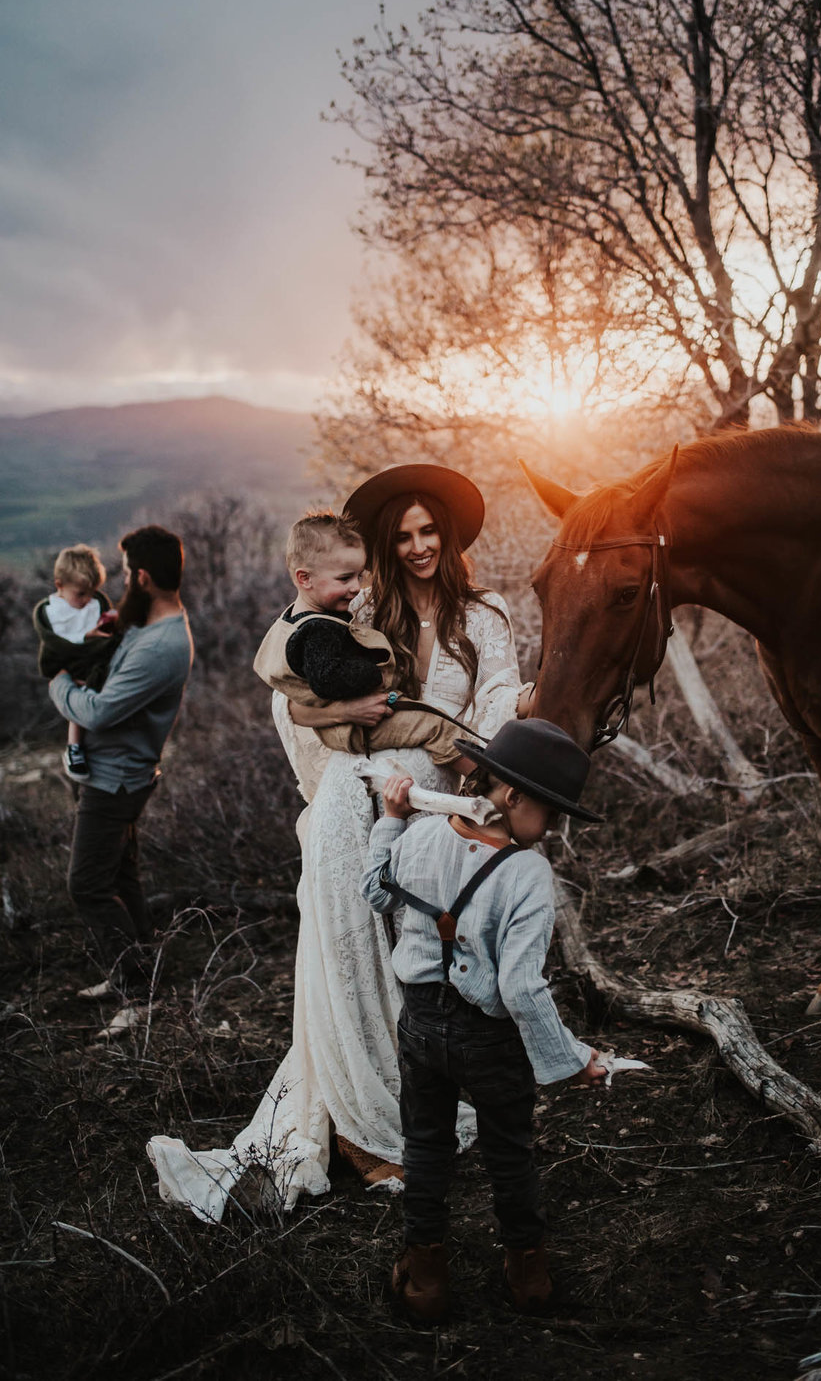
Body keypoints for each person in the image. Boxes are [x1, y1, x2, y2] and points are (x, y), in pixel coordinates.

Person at [147, 464, 531, 1222]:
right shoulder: (363, 607)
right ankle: (360, 1129)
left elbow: (488, 714)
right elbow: (296, 702)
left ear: (448, 536)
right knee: (349, 957)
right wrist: (336, 760)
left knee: (414, 968)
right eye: (404, 536)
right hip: (350, 801)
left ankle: (398, 1111)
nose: (419, 546)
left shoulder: (484, 614)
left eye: (429, 532)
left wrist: (468, 793)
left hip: (430, 806)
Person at [360, 718, 607, 1324]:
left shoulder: (416, 837)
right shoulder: (528, 874)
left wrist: (389, 820)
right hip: (490, 1038)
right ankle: (530, 1277)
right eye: (549, 813)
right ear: (514, 797)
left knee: (425, 1147)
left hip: (419, 1024)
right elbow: (521, 988)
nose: (551, 829)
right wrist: (572, 1059)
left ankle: (426, 1279)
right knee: (509, 1153)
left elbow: (376, 892)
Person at [47, 525, 194, 1038]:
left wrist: (59, 682)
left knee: (86, 884)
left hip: (116, 781)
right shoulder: (150, 624)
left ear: (145, 576)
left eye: (129, 571)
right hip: (117, 773)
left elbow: (103, 711)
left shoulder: (161, 645)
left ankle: (137, 995)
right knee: (120, 877)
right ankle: (138, 976)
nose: (125, 579)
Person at [252, 511, 464, 765]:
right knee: (436, 726)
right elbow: (327, 679)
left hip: (349, 725)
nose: (355, 587)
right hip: (356, 726)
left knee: (431, 721)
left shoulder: (294, 619)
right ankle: (484, 780)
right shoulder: (319, 629)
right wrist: (372, 672)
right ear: (304, 578)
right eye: (344, 579)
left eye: (359, 576)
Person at [33, 543, 119, 781]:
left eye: (92, 592)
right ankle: (74, 748)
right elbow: (58, 642)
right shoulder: (54, 611)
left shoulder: (93, 603)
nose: (87, 599)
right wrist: (88, 638)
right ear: (59, 585)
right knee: (81, 698)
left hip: (95, 663)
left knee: (97, 691)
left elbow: (103, 634)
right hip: (68, 664)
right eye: (81, 594)